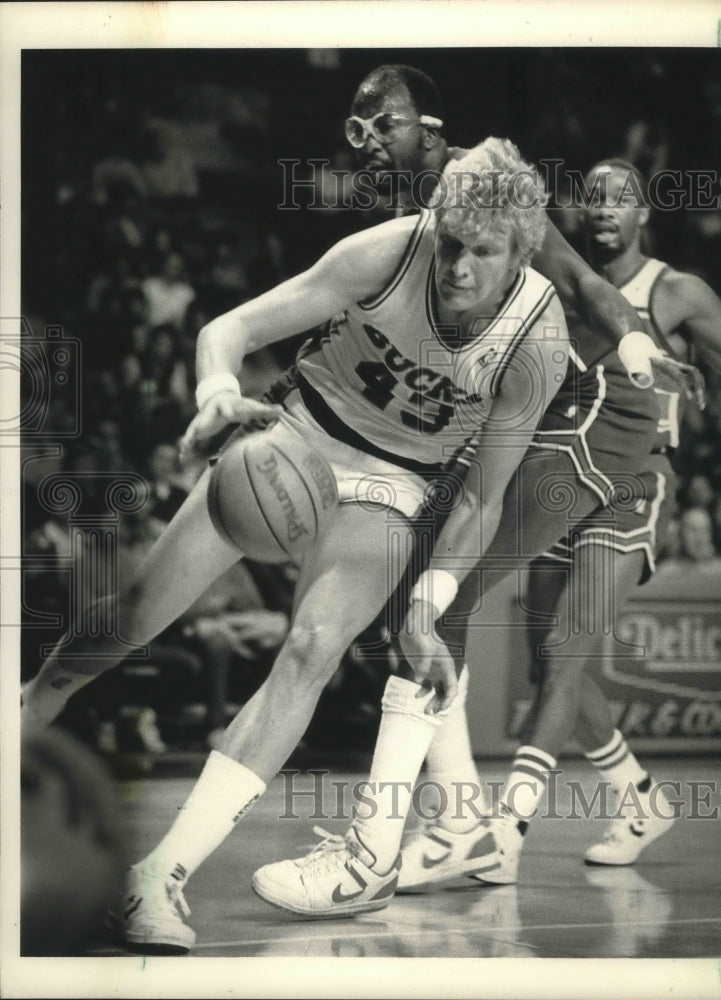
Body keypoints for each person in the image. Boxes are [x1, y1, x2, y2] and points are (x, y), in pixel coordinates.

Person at [22, 137, 569, 951]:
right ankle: (27, 709)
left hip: (393, 484)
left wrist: (427, 605)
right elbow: (229, 328)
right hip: (296, 439)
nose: (456, 266)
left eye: (480, 253)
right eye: (449, 242)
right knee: (129, 620)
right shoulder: (387, 253)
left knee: (311, 650)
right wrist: (214, 396)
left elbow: (484, 496)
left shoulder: (536, 340)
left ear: (518, 251)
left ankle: (155, 879)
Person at [247, 69, 700, 916]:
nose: (368, 140)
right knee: (422, 614)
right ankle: (473, 821)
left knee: (437, 611)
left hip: (575, 418)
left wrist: (634, 347)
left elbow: (576, 279)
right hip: (492, 417)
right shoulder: (392, 214)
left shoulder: (483, 182)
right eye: (356, 127)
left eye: (383, 123)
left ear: (428, 126)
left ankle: (385, 847)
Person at [392, 158, 721, 890]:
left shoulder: (673, 291)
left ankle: (502, 832)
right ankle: (639, 799)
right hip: (559, 468)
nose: (602, 209)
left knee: (565, 649)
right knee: (549, 661)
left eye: (619, 199)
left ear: (643, 214)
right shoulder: (557, 282)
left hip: (631, 482)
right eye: (591, 197)